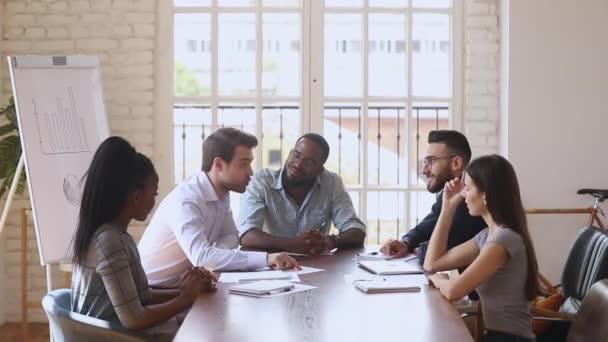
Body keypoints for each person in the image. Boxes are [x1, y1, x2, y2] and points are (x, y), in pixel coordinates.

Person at [70, 136, 215, 336]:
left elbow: (140, 297)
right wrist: (186, 298)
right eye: (154, 194)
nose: (154, 201)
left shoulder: (117, 236)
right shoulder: (109, 241)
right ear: (136, 196)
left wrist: (189, 290)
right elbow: (135, 318)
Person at [138, 128, 300, 288]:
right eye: (243, 164)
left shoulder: (221, 194)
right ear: (219, 165)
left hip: (188, 285)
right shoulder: (187, 200)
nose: (250, 173)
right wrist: (266, 259)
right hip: (153, 293)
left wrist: (215, 257)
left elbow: (231, 235)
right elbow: (202, 257)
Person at [424, 154, 539, 342]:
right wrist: (447, 208)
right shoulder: (487, 235)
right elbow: (432, 263)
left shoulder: (504, 240)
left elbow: (454, 291)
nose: (463, 194)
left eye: (467, 188)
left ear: (485, 195)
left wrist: (438, 281)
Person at [238, 133, 366, 254]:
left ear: (319, 170)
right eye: (296, 155)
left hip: (316, 266)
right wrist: (292, 244)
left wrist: (330, 241)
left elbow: (356, 230)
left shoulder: (331, 183)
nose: (298, 164)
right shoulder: (262, 181)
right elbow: (246, 235)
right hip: (271, 266)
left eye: (309, 162)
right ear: (289, 154)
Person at [380, 130, 486, 261]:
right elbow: (428, 225)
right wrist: (406, 243)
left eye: (431, 161)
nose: (424, 170)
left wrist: (417, 249)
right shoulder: (449, 193)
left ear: (456, 163)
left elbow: (431, 255)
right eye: (425, 162)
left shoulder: (469, 203)